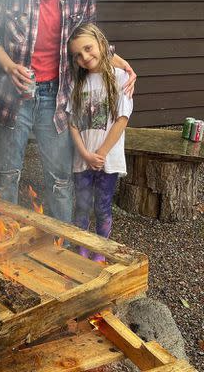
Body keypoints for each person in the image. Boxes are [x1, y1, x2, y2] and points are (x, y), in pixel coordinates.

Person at [0, 0, 136, 224]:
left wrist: (120, 62)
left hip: (59, 97)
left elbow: (88, 42)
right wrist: (10, 66)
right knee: (7, 176)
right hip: (12, 96)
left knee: (60, 180)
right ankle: (2, 246)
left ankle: (62, 248)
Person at [67, 23, 133, 261]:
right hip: (82, 161)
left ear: (101, 43)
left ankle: (101, 251)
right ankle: (82, 247)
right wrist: (85, 154)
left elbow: (121, 119)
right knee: (82, 206)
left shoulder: (120, 77)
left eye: (88, 48)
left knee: (102, 207)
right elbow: (72, 123)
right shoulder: (78, 83)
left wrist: (101, 153)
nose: (85, 57)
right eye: (78, 55)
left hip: (108, 160)